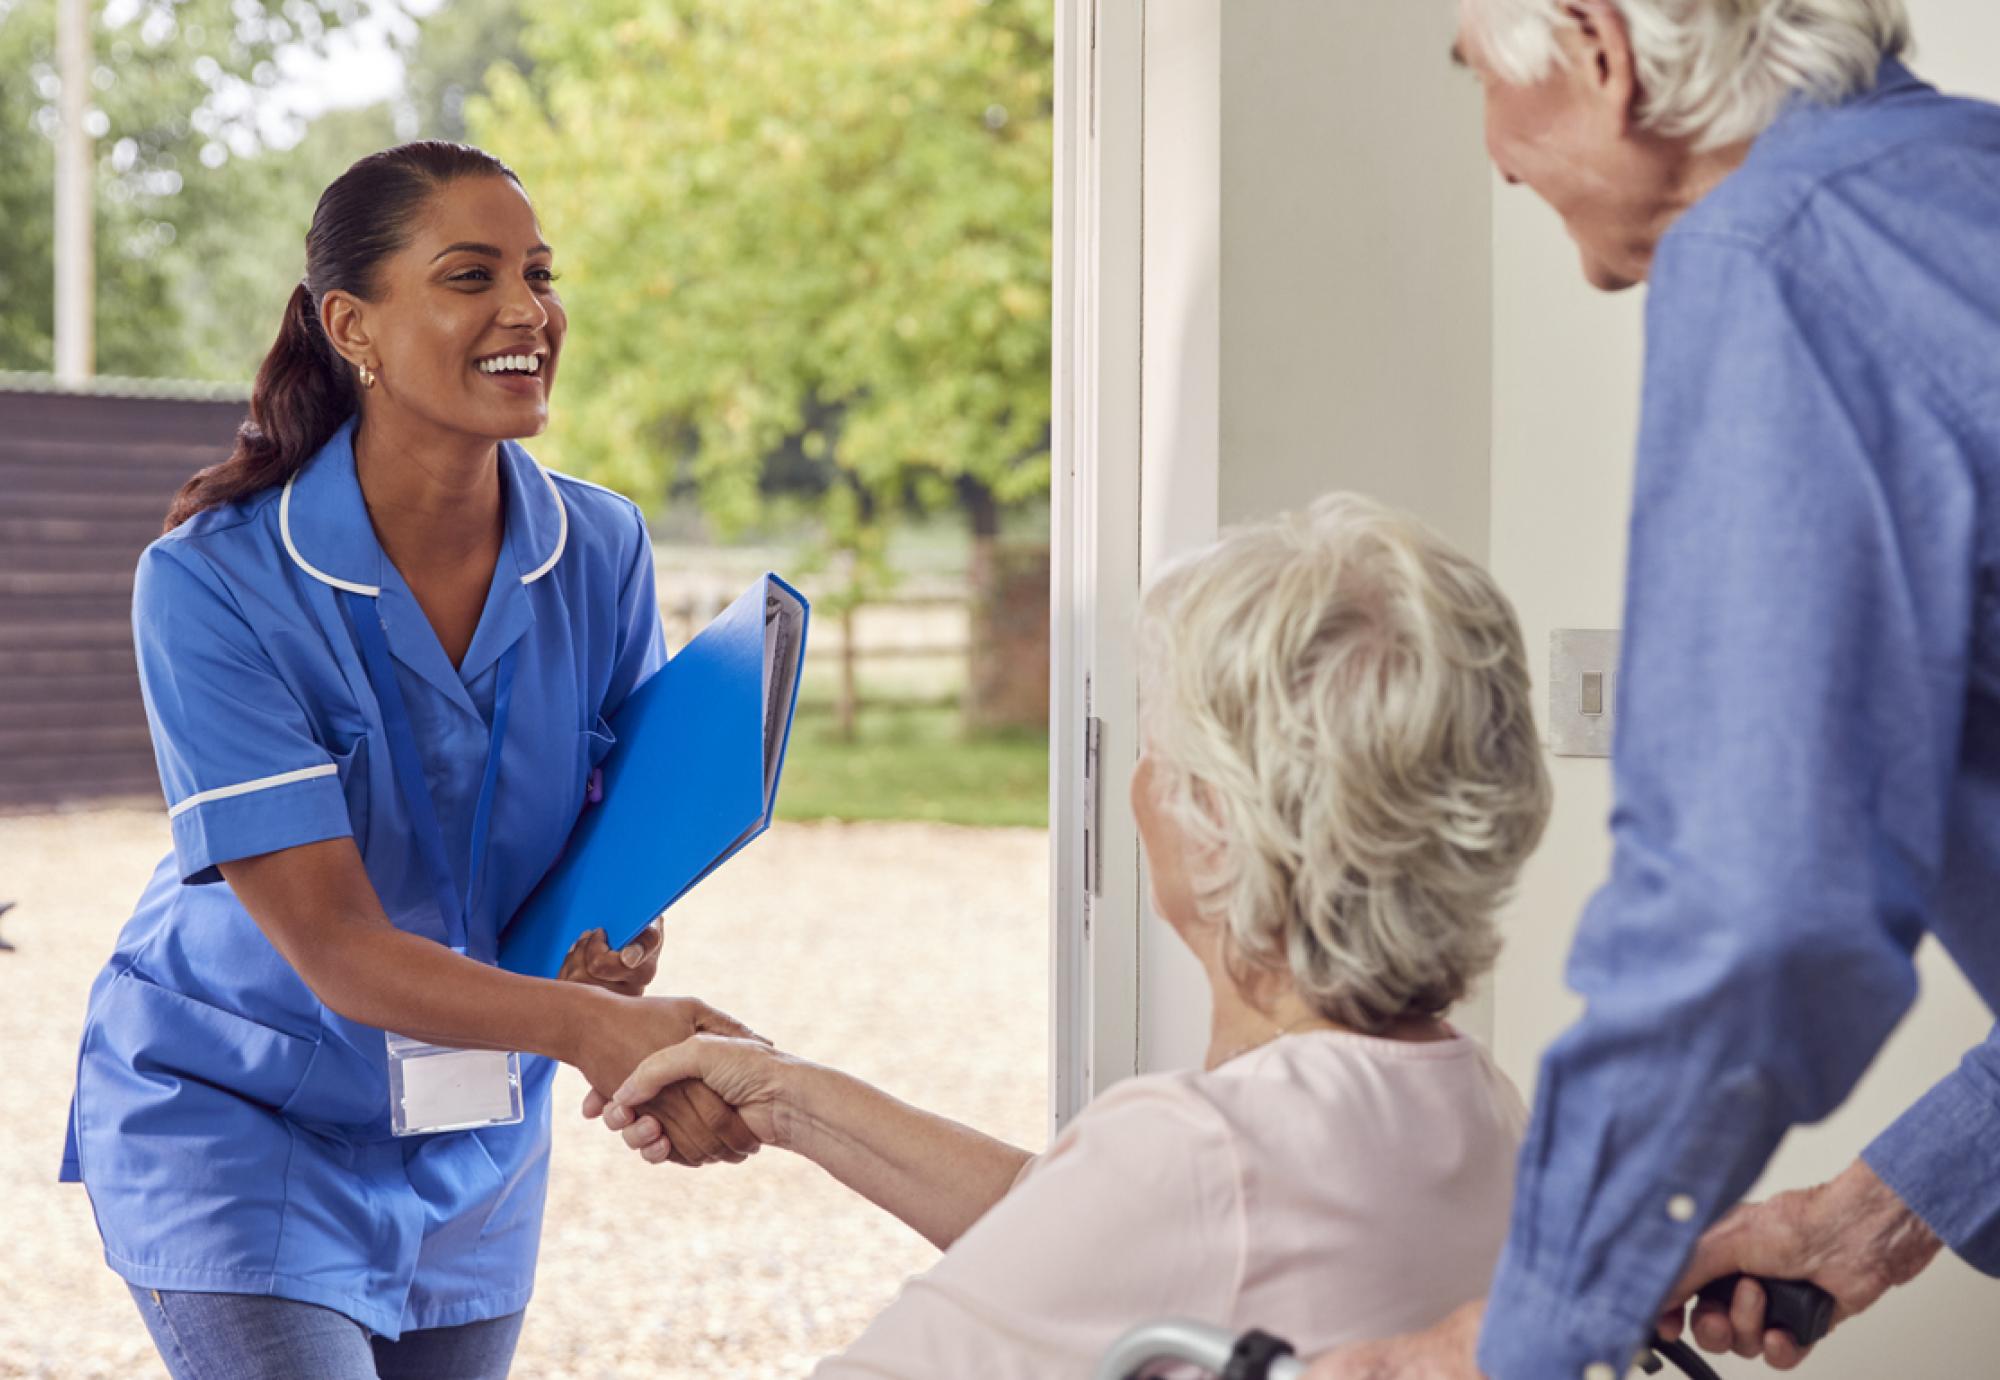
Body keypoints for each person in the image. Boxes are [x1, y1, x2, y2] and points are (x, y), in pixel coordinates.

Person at [1304, 2, 2000, 1376]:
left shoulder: (1779, 253)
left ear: (1596, 49)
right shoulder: (1962, 190)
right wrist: (1868, 1220)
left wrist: (1504, 1343)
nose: (1496, 160)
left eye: (1477, 82)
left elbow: (1754, 911)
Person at [61, 141, 762, 1380]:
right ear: (354, 326)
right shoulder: (212, 581)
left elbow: (612, 837)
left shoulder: (599, 547)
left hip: (472, 1139)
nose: (526, 311)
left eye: (539, 274)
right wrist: (587, 1031)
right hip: (239, 1121)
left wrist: (616, 952)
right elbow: (335, 948)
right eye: (469, 275)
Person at [594, 494, 1555, 1377]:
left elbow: (1132, 1225)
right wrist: (789, 1098)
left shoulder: (1200, 1153)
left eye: (1157, 746)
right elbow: (1091, 1238)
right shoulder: (1481, 1107)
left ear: (1213, 820)